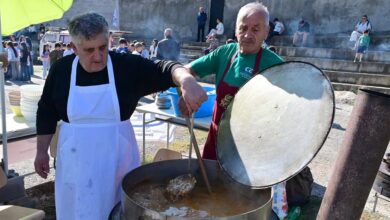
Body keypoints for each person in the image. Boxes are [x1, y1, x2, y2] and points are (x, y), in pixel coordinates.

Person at [34, 12, 206, 220]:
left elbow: (165, 68)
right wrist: (41, 151)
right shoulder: (61, 71)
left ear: (109, 41)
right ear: (74, 48)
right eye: (89, 50)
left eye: (102, 47)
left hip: (117, 163)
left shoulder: (125, 66)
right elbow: (46, 111)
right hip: (75, 163)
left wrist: (186, 80)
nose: (98, 56)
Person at [180, 3, 287, 219]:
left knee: (243, 203)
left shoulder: (277, 66)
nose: (247, 34)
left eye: (255, 29)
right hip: (217, 141)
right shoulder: (224, 53)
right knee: (207, 191)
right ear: (235, 29)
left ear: (267, 31)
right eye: (243, 28)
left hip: (250, 149)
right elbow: (187, 69)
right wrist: (186, 84)